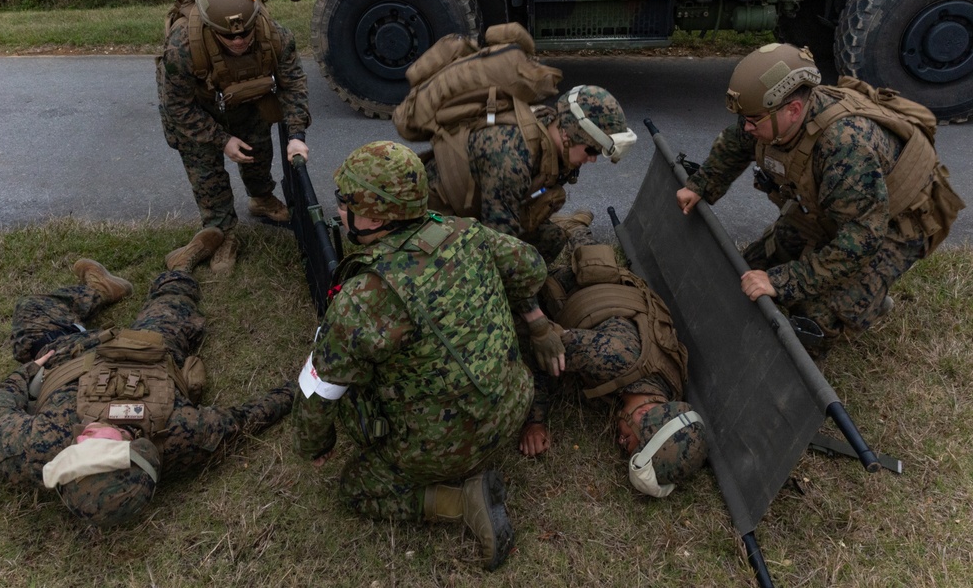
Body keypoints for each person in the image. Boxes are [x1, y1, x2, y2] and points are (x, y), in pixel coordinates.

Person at [292, 140, 561, 571]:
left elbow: (319, 389)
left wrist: (315, 444)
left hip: (445, 448)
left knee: (354, 489)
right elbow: (530, 266)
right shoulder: (465, 232)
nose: (338, 210)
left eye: (346, 202)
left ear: (376, 215)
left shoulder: (364, 299)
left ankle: (460, 501)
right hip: (512, 405)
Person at [0, 230, 295, 527]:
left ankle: (98, 288)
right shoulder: (180, 434)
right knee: (173, 298)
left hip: (69, 351)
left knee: (30, 314)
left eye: (78, 449)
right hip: (148, 348)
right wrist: (309, 384)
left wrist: (29, 370)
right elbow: (246, 418)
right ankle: (182, 262)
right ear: (137, 447)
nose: (86, 436)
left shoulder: (30, 447)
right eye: (102, 445)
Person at [676, 43, 962, 356]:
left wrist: (784, 280)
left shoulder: (845, 147)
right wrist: (701, 185)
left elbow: (861, 241)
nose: (746, 127)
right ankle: (850, 289)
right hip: (839, 210)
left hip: (895, 225)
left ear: (793, 110)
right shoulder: (772, 113)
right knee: (745, 273)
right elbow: (737, 141)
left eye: (753, 120)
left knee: (813, 317)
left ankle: (868, 300)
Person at [518, 215, 708, 498]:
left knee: (596, 266)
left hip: (616, 294)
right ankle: (567, 229)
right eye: (628, 441)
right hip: (576, 289)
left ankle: (579, 230)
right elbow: (541, 347)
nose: (620, 440)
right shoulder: (611, 359)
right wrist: (535, 421)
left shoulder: (668, 389)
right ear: (643, 413)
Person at [158, 0, 312, 273]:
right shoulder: (182, 49)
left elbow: (293, 85)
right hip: (197, 112)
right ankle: (221, 232)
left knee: (257, 153)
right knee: (206, 173)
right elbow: (176, 106)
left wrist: (296, 135)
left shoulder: (277, 37)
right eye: (228, 36)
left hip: (245, 102)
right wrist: (221, 139)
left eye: (245, 32)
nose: (239, 40)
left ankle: (261, 197)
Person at [423, 84, 637, 263]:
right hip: (436, 221)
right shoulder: (512, 157)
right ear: (567, 136)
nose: (592, 159)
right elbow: (499, 245)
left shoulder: (550, 128)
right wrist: (530, 309)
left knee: (551, 239)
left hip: (485, 209)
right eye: (591, 150)